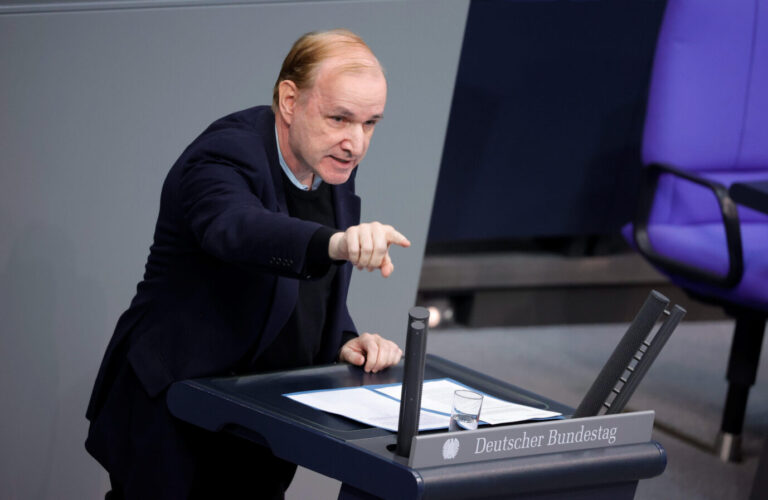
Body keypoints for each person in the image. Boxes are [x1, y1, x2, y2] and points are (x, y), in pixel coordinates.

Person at [85, 29, 408, 499]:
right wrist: (337, 244)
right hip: (176, 413)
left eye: (370, 123)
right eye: (340, 118)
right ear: (290, 100)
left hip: (256, 423)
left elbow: (302, 289)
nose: (355, 143)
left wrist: (343, 340)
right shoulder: (225, 153)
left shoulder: (329, 164)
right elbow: (238, 230)